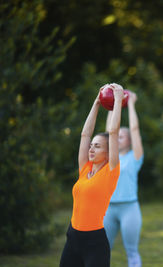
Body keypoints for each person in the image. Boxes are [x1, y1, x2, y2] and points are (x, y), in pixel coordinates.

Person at [60, 83, 125, 267]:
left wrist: (118, 100)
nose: (91, 148)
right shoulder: (85, 169)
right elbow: (84, 135)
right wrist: (96, 103)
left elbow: (113, 132)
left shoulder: (111, 172)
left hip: (94, 243)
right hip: (72, 238)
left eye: (97, 146)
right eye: (91, 146)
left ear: (108, 152)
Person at [104, 90, 144, 267]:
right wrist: (111, 104)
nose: (117, 139)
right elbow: (109, 131)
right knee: (102, 249)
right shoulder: (108, 157)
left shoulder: (135, 157)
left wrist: (132, 104)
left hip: (130, 208)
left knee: (132, 251)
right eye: (116, 137)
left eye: (122, 137)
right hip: (108, 209)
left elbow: (134, 129)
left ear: (129, 141)